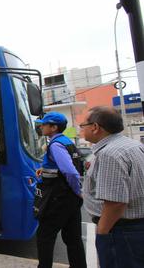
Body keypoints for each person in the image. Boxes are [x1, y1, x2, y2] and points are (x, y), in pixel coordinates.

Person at [81, 106, 144, 267]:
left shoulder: (110, 154)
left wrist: (102, 231)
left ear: (95, 127)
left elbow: (115, 202)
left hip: (120, 231)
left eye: (83, 126)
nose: (81, 130)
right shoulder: (132, 145)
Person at [34, 112, 86, 268]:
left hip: (59, 198)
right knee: (73, 238)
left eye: (44, 124)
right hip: (70, 198)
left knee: (44, 236)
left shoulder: (56, 145)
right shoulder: (67, 141)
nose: (41, 126)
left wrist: (78, 190)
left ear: (53, 127)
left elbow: (69, 171)